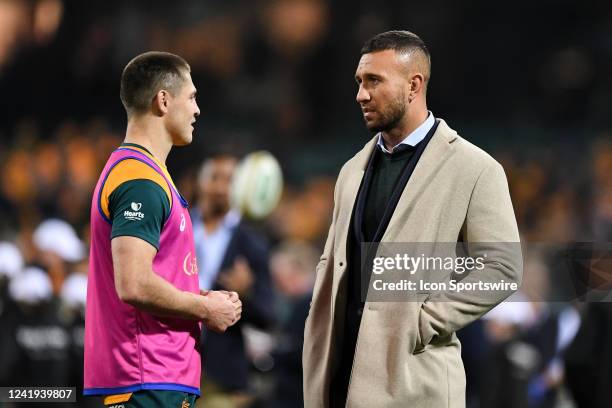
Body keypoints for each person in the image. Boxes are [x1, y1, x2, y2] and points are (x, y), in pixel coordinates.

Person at [302, 30, 522, 407]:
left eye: (374, 81)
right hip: (340, 379)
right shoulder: (352, 169)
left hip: (415, 384)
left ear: (413, 85)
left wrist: (425, 321)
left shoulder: (474, 168)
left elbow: (501, 266)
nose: (361, 94)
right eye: (359, 81)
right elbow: (334, 261)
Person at [84, 51, 242, 408]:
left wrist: (202, 298)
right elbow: (135, 283)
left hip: (157, 377)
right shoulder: (140, 181)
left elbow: (152, 275)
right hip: (145, 378)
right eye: (192, 97)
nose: (197, 110)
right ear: (164, 100)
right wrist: (204, 311)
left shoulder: (146, 174)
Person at [192, 153, 276, 407]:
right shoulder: (175, 225)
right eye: (214, 178)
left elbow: (268, 316)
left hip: (220, 375)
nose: (219, 187)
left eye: (229, 180)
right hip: (170, 359)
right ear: (200, 181)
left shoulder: (252, 243)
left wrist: (246, 293)